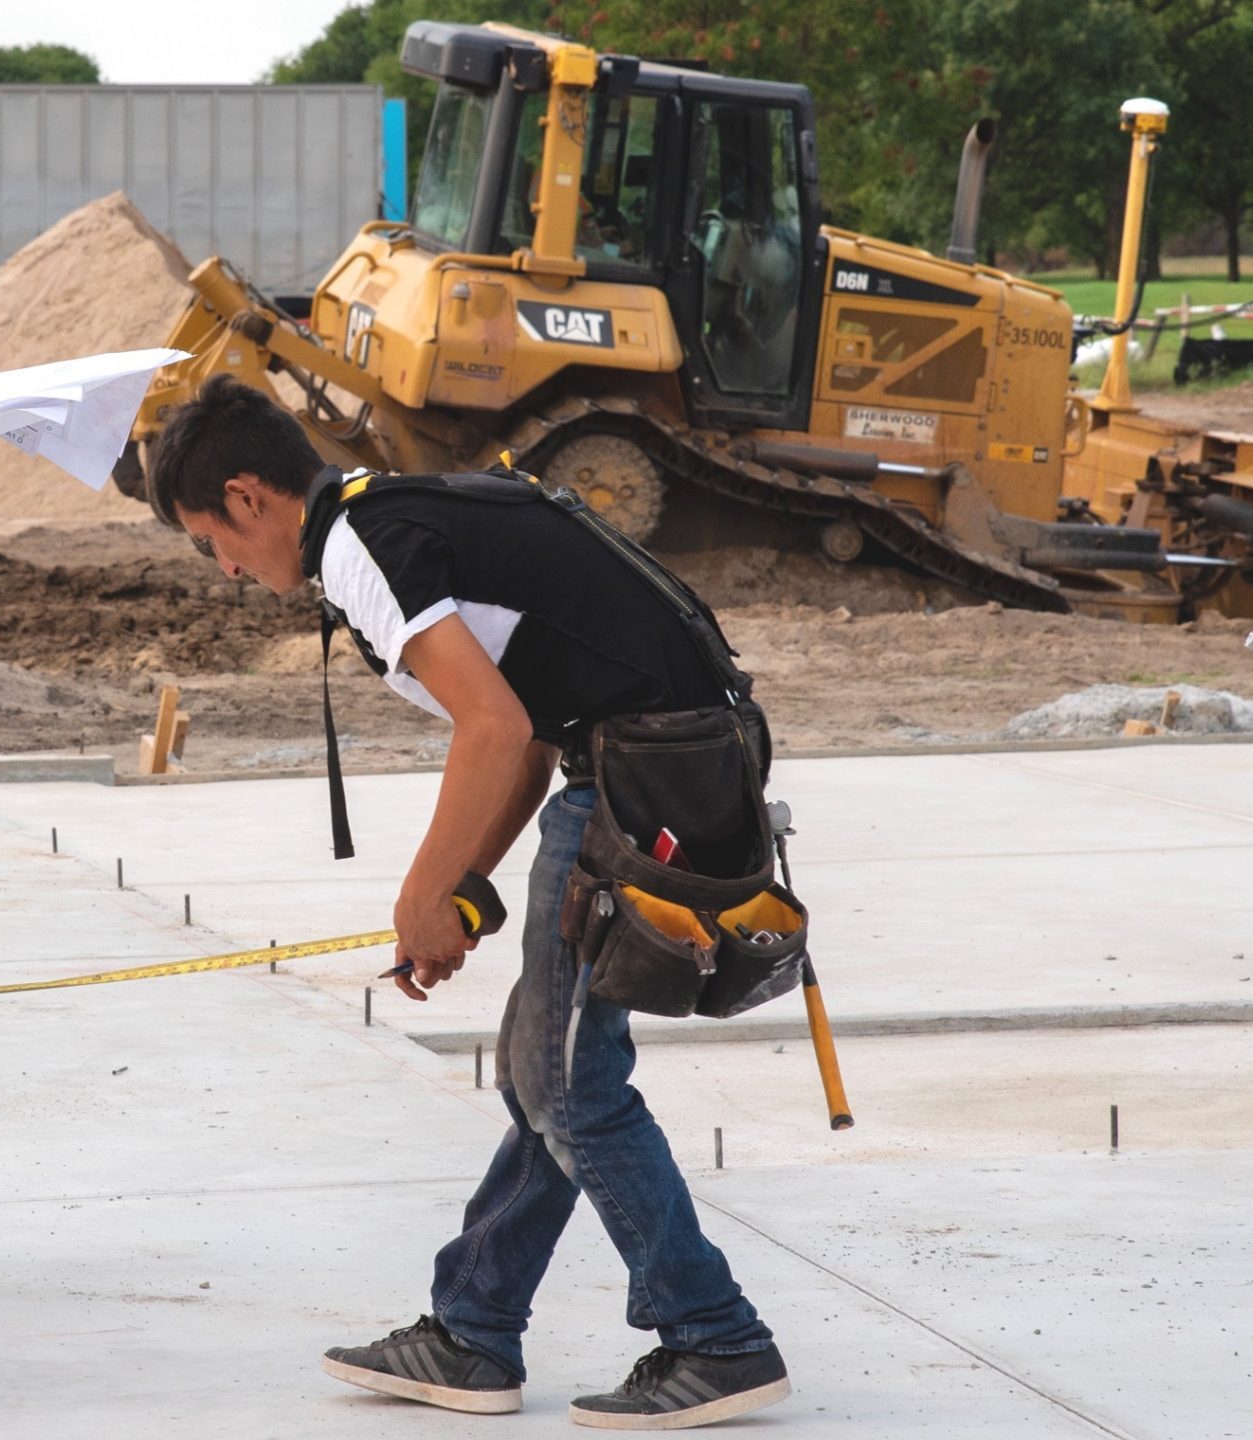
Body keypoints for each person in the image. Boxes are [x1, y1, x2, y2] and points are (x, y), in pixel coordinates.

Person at [145, 377, 791, 1431]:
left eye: (208, 539)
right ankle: (473, 1331)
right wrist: (458, 889)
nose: (222, 566)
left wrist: (418, 894)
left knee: (569, 1083)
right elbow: (527, 732)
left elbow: (489, 728)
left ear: (248, 497)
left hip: (639, 778)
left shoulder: (359, 543)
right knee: (548, 1072)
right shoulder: (395, 513)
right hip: (649, 762)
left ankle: (713, 1335)